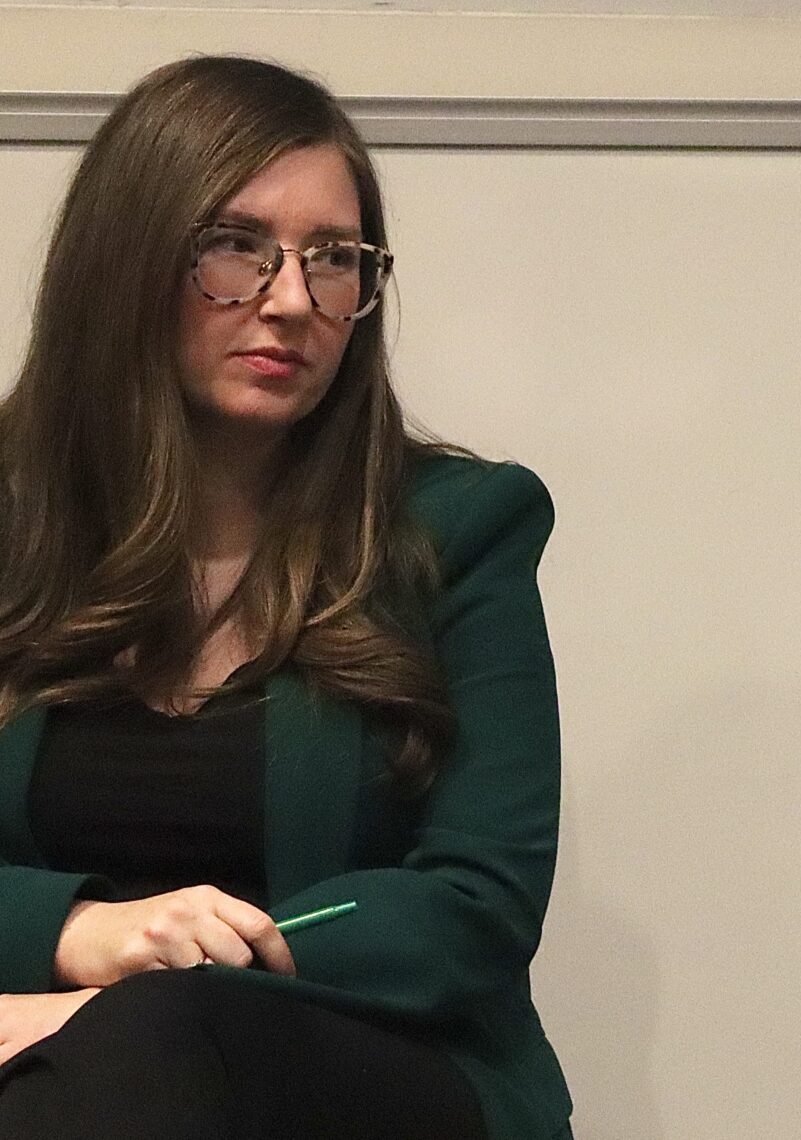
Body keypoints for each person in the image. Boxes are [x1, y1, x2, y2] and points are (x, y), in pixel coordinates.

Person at [0, 56, 570, 1140]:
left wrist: (150, 988)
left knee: (158, 1045)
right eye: (235, 249)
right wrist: (80, 934)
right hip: (41, 1046)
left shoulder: (458, 527)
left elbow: (474, 902)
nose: (295, 301)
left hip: (366, 1066)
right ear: (124, 259)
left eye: (336, 260)